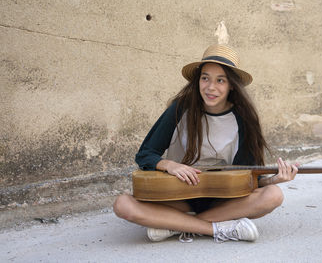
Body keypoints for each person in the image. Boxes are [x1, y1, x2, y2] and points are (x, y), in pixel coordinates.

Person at [113, 44, 298, 243]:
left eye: (220, 80)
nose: (211, 87)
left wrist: (273, 180)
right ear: (198, 80)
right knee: (123, 204)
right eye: (205, 78)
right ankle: (216, 228)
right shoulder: (181, 108)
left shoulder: (243, 119)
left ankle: (173, 225)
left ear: (232, 85)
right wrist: (170, 165)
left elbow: (247, 176)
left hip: (223, 200)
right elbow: (145, 154)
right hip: (178, 196)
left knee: (273, 195)